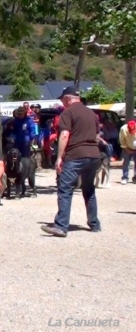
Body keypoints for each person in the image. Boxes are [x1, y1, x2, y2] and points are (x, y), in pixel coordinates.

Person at [41, 87, 101, 237]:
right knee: (89, 190)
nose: (62, 103)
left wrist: (59, 157)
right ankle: (94, 224)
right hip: (94, 155)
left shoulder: (67, 113)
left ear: (68, 98)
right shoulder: (92, 113)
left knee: (65, 189)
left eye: (62, 100)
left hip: (76, 155)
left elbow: (64, 135)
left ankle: (61, 226)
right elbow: (97, 136)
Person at [118, 120, 136, 185]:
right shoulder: (123, 129)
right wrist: (127, 149)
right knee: (126, 163)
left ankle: (135, 178)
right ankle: (125, 178)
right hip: (126, 147)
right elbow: (122, 141)